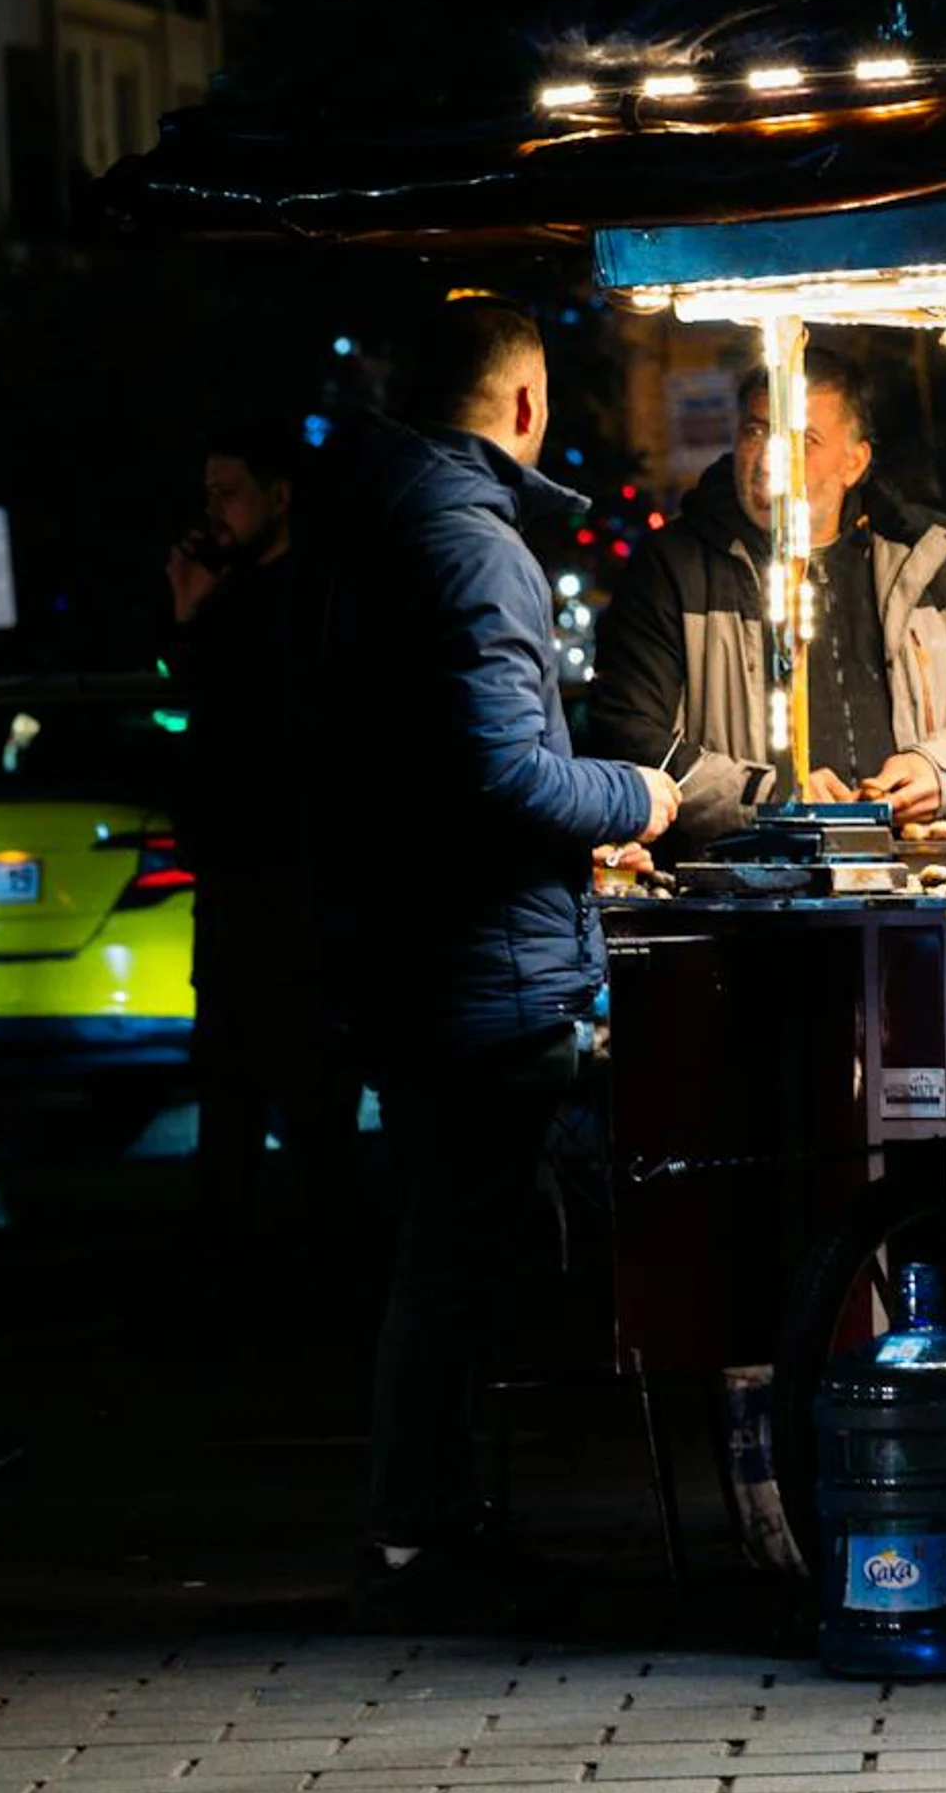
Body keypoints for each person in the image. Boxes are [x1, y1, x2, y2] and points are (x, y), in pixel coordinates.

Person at [287, 302, 678, 1629]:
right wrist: (632, 797)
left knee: (443, 1254)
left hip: (407, 950)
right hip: (473, 970)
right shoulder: (471, 544)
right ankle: (419, 1536)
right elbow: (504, 775)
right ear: (522, 406)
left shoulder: (368, 525)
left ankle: (437, 1524)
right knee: (453, 1259)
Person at [584, 349, 946, 851]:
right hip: (745, 889)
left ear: (855, 461)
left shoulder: (933, 553)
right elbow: (626, 735)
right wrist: (773, 799)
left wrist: (939, 767)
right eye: (755, 431)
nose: (770, 459)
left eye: (804, 440)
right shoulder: (672, 566)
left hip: (913, 877)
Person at [163, 418, 351, 1270]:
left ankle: (317, 1279)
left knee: (311, 1110)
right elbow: (187, 724)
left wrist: (200, 622)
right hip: (238, 891)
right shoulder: (231, 600)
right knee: (232, 1105)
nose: (216, 512)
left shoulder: (301, 602)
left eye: (229, 491)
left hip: (295, 891)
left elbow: (244, 733)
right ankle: (237, 1278)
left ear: (281, 497)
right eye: (208, 493)